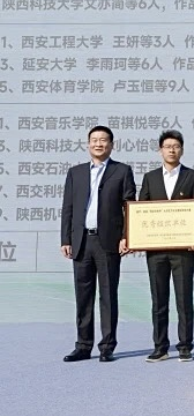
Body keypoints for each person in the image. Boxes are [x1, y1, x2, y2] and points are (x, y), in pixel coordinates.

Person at [60, 125, 136, 362]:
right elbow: (68, 208)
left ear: (111, 145)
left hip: (108, 242)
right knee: (83, 296)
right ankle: (83, 346)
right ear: (88, 144)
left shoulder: (122, 171)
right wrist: (66, 239)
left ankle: (107, 346)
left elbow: (129, 208)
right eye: (94, 140)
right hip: (81, 241)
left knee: (108, 295)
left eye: (103, 140)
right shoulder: (75, 173)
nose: (98, 144)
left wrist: (127, 236)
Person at [137, 130, 194, 363]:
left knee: (184, 299)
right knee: (159, 300)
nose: (172, 150)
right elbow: (141, 211)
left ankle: (185, 345)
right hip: (155, 250)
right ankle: (160, 347)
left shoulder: (193, 176)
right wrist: (135, 237)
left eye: (176, 146)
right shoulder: (150, 177)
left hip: (183, 251)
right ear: (160, 150)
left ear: (182, 150)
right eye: (167, 146)